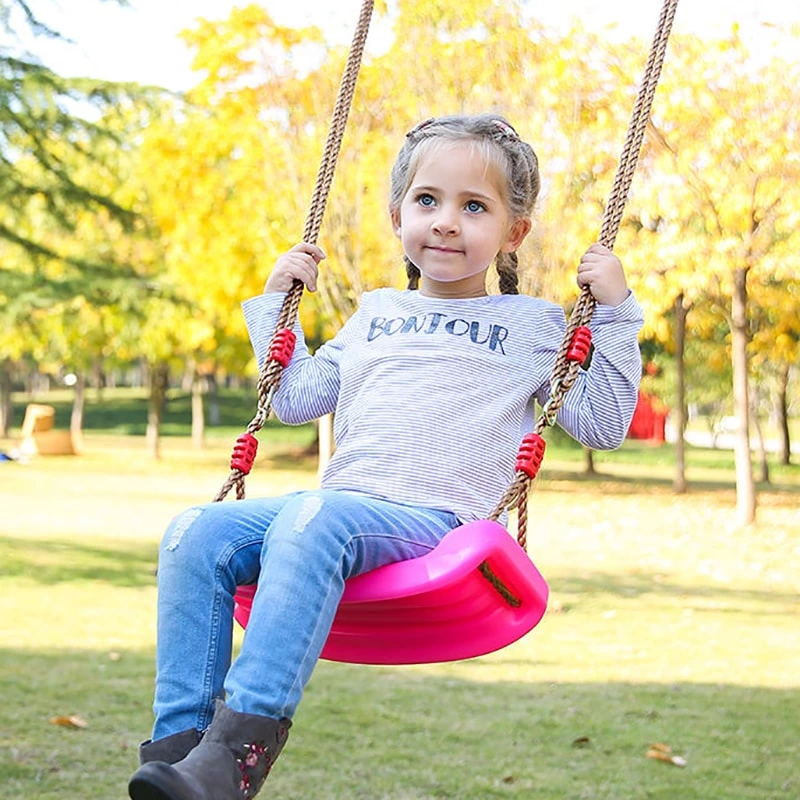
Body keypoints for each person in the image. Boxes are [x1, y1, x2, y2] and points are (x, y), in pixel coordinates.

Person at [127, 113, 644, 800]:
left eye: (474, 206)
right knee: (194, 533)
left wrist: (616, 314)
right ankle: (180, 753)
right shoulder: (374, 313)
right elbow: (296, 398)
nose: (446, 222)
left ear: (513, 232)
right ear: (398, 213)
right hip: (336, 514)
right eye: (427, 201)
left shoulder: (534, 326)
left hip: (437, 522)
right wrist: (278, 308)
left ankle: (235, 756)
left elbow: (604, 423)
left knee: (317, 514)